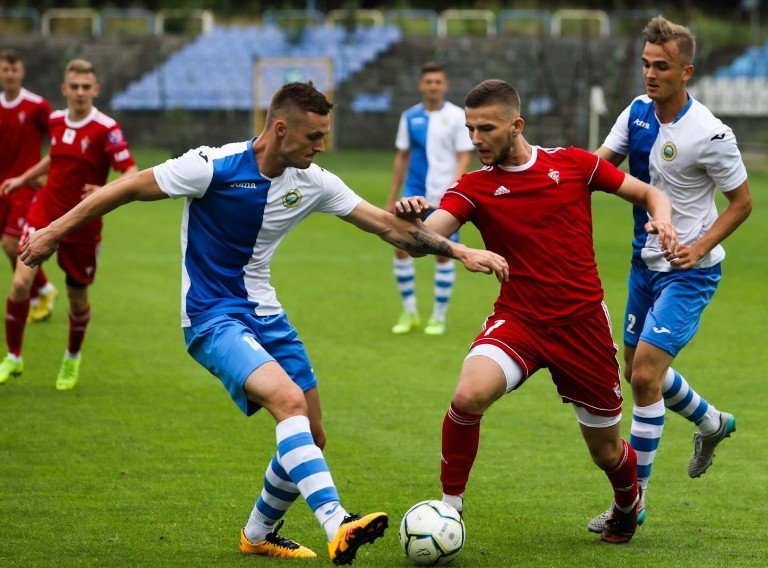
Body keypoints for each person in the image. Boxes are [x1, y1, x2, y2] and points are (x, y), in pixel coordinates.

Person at [19, 81, 509, 563]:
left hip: (267, 314)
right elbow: (126, 187)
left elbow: (387, 226)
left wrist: (459, 249)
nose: (322, 146)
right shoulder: (211, 166)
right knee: (288, 402)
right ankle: (337, 522)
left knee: (312, 435)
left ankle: (258, 534)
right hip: (212, 315)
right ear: (280, 128)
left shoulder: (314, 180)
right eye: (314, 137)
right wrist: (52, 232)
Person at [394, 79, 678, 545]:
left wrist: (662, 218)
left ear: (517, 125)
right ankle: (450, 508)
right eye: (470, 128)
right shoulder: (474, 188)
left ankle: (628, 505)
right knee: (467, 397)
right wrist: (413, 222)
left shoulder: (572, 165)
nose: (476, 139)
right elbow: (422, 238)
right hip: (519, 321)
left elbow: (649, 194)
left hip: (582, 325)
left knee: (606, 452)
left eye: (486, 128)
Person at [587, 16, 753, 534]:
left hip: (690, 272)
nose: (650, 74)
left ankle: (632, 503)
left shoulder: (710, 133)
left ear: (687, 71)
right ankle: (710, 422)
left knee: (642, 378)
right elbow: (598, 167)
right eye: (645, 64)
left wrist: (699, 246)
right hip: (643, 264)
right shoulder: (635, 113)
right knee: (636, 367)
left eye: (661, 66)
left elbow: (742, 203)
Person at [0, 58, 138, 391]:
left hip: (82, 224)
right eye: (73, 87)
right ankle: (14, 357)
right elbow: (56, 157)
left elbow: (131, 173)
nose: (79, 92)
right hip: (43, 212)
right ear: (64, 89)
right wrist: (23, 178)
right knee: (20, 283)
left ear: (95, 89)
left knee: (77, 300)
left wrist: (104, 191)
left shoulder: (107, 128)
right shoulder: (56, 121)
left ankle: (71, 358)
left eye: (85, 87)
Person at [385, 61, 473, 336]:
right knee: (400, 246)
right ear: (421, 85)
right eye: (429, 81)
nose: (433, 86)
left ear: (445, 85)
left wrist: (453, 191)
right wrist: (392, 196)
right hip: (413, 195)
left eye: (438, 81)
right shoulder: (410, 117)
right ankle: (409, 311)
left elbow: (463, 156)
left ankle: (438, 316)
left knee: (444, 254)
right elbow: (402, 157)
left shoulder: (458, 116)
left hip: (444, 198)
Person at [0, 49, 57, 334]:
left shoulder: (36, 106)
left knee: (12, 245)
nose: (9, 74)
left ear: (22, 72)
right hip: (1, 187)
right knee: (8, 244)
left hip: (25, 188)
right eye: (4, 70)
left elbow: (58, 139)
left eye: (14, 69)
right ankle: (42, 288)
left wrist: (42, 172)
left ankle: (40, 290)